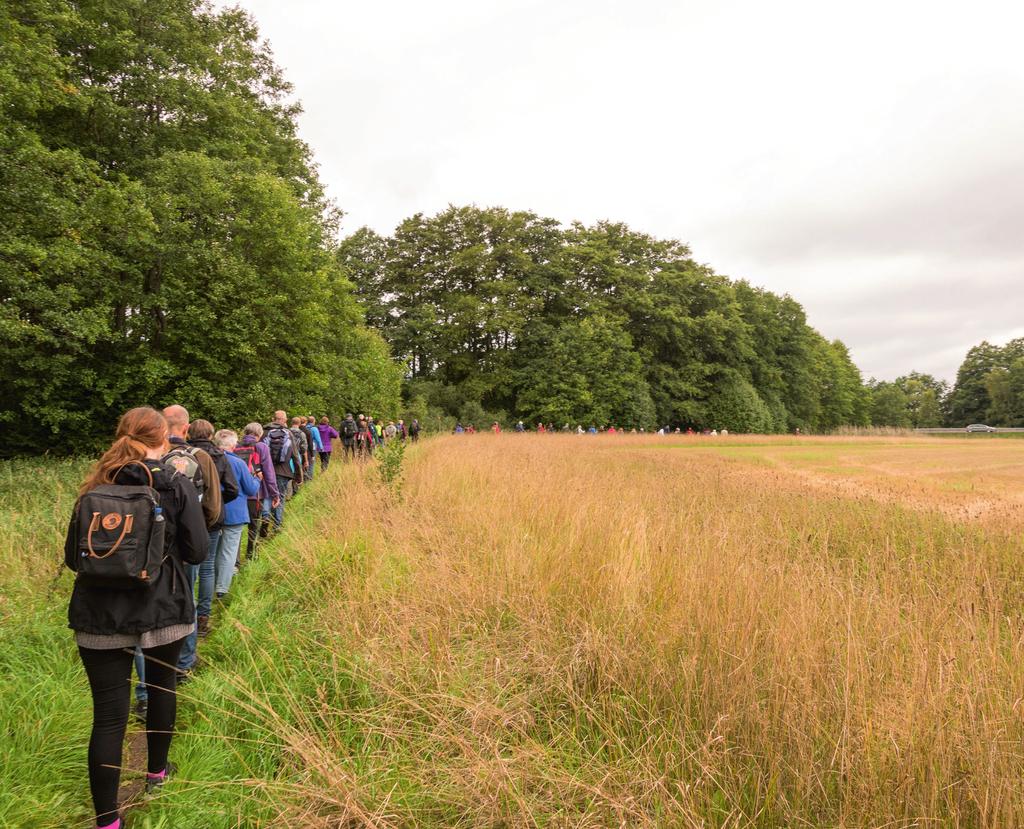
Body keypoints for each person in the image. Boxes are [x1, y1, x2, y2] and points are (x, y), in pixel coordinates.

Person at [66, 407, 206, 829]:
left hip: (99, 613)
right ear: (163, 439)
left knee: (109, 715)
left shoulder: (96, 486)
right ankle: (156, 775)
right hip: (163, 606)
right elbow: (198, 550)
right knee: (162, 689)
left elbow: (76, 558)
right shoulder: (175, 483)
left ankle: (107, 820)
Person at [162, 405, 221, 678]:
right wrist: (199, 532)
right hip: (186, 544)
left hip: (153, 547)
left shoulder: (149, 457)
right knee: (187, 596)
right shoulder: (200, 457)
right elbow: (212, 504)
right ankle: (185, 661)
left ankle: (155, 670)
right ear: (185, 428)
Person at [187, 419, 238, 638]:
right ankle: (203, 617)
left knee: (190, 568)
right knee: (207, 567)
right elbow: (233, 489)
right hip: (213, 519)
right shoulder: (219, 456)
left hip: (187, 519)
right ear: (211, 435)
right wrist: (216, 504)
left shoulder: (183, 454)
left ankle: (186, 614)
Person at [212, 429, 259, 599]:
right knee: (228, 551)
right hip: (235, 512)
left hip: (213, 512)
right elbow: (250, 488)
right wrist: (257, 479)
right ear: (233, 445)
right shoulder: (238, 463)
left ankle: (211, 584)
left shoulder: (208, 460)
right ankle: (222, 589)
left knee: (214, 551)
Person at [236, 422, 279, 561]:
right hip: (256, 493)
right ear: (259, 434)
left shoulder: (235, 446)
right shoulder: (261, 447)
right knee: (253, 526)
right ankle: (250, 555)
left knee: (235, 529)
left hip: (236, 493)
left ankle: (234, 561)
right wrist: (275, 493)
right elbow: (269, 473)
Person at [263, 410, 302, 502]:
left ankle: (266, 515)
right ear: (285, 420)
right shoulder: (288, 433)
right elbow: (295, 456)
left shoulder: (264, 432)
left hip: (265, 470)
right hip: (283, 471)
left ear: (273, 419)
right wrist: (298, 476)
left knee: (267, 495)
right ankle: (277, 517)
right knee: (280, 496)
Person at [289, 416, 309, 493]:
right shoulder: (302, 434)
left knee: (289, 473)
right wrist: (306, 461)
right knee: (297, 473)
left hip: (287, 456)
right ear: (300, 423)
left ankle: (288, 491)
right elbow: (304, 449)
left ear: (291, 423)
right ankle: (295, 491)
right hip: (297, 456)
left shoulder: (286, 431)